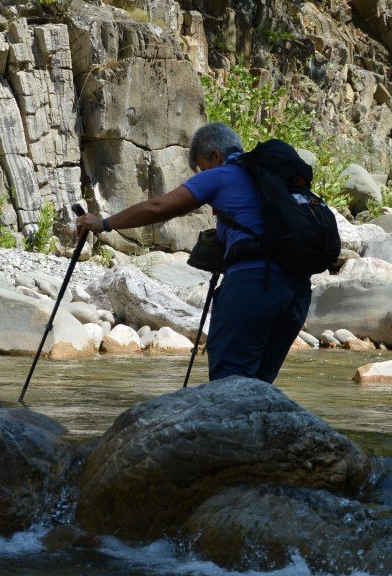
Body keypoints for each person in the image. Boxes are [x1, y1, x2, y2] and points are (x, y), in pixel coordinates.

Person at [75, 122, 312, 383]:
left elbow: (157, 208)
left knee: (229, 382)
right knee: (259, 384)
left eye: (202, 167)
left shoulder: (223, 174)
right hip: (296, 293)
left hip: (253, 287)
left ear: (215, 155)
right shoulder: (272, 178)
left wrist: (104, 223)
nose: (203, 173)